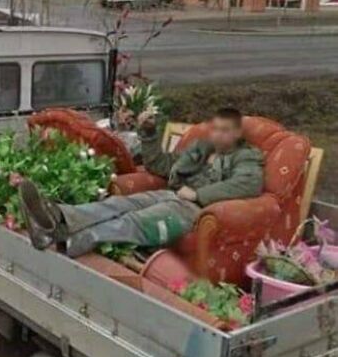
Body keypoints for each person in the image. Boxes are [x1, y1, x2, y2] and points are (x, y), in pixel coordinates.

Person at [19, 107, 264, 257]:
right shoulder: (201, 150)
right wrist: (149, 134)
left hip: (195, 210)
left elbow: (247, 184)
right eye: (216, 129)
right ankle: (58, 217)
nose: (218, 134)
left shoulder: (246, 156)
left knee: (132, 222)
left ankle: (67, 241)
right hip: (170, 196)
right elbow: (160, 166)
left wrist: (199, 195)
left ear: (237, 133)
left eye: (226, 130)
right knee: (119, 204)